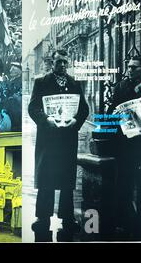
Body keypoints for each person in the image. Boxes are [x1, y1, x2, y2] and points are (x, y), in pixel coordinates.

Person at [28, 49, 89, 241]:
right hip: (48, 139)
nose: (62, 65)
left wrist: (75, 122)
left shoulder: (75, 83)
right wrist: (46, 120)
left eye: (65, 62)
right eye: (58, 62)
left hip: (67, 139)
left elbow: (84, 109)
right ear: (51, 63)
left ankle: (67, 218)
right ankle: (42, 218)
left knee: (66, 180)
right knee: (46, 177)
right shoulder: (41, 82)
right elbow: (33, 108)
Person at [107, 56, 141, 239]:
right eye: (128, 67)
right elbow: (109, 118)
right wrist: (113, 114)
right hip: (126, 147)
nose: (129, 70)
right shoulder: (120, 87)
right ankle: (125, 223)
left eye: (133, 67)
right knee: (124, 186)